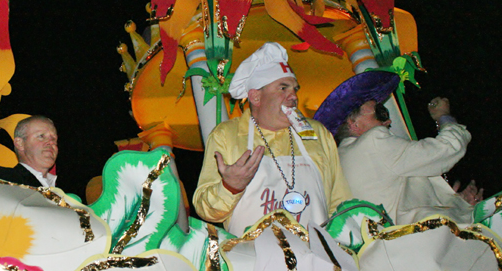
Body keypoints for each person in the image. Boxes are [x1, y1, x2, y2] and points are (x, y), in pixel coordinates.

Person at [193, 42, 351, 235]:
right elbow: (206, 210)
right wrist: (230, 187)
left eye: (295, 89)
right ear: (256, 97)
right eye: (282, 88)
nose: (293, 96)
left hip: (316, 256)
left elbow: (340, 202)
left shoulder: (317, 133)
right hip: (251, 258)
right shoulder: (226, 135)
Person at [315, 70, 482, 225]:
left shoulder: (338, 161)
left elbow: (397, 198)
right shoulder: (372, 143)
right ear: (353, 123)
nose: (387, 121)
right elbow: (446, 149)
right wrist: (443, 117)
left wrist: (457, 202)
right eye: (379, 113)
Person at [0, 115, 59, 188]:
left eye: (54, 139)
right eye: (41, 136)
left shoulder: (62, 194)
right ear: (20, 144)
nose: (51, 142)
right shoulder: (2, 178)